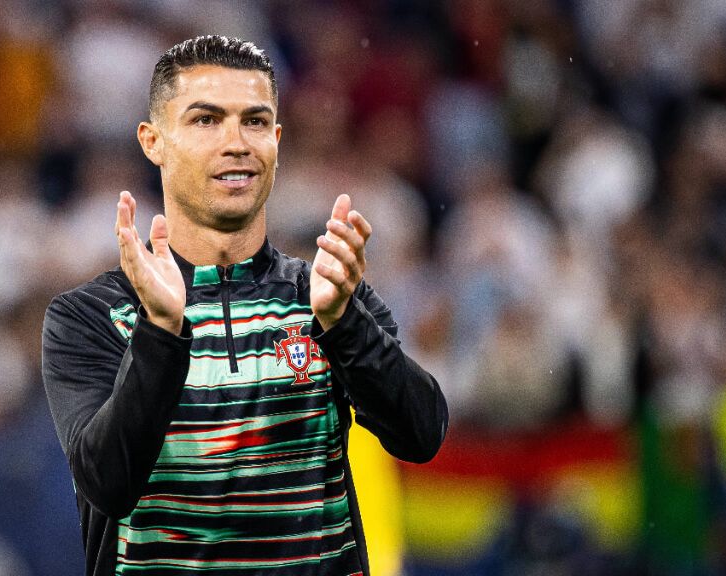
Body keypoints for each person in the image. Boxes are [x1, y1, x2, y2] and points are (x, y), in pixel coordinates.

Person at [42, 35, 448, 576]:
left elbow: (422, 436)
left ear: (277, 140)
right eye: (206, 120)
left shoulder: (328, 297)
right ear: (153, 141)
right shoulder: (90, 316)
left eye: (255, 122)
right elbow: (108, 485)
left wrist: (345, 324)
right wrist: (161, 333)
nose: (237, 142)